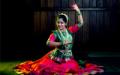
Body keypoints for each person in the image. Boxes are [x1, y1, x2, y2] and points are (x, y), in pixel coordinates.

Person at [14, 3, 104, 75]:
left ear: (65, 23)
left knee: (74, 69)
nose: (59, 24)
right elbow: (48, 43)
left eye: (61, 23)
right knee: (45, 69)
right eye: (58, 22)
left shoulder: (70, 30)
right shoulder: (55, 33)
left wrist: (77, 10)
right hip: (56, 59)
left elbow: (81, 23)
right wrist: (61, 43)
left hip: (68, 58)